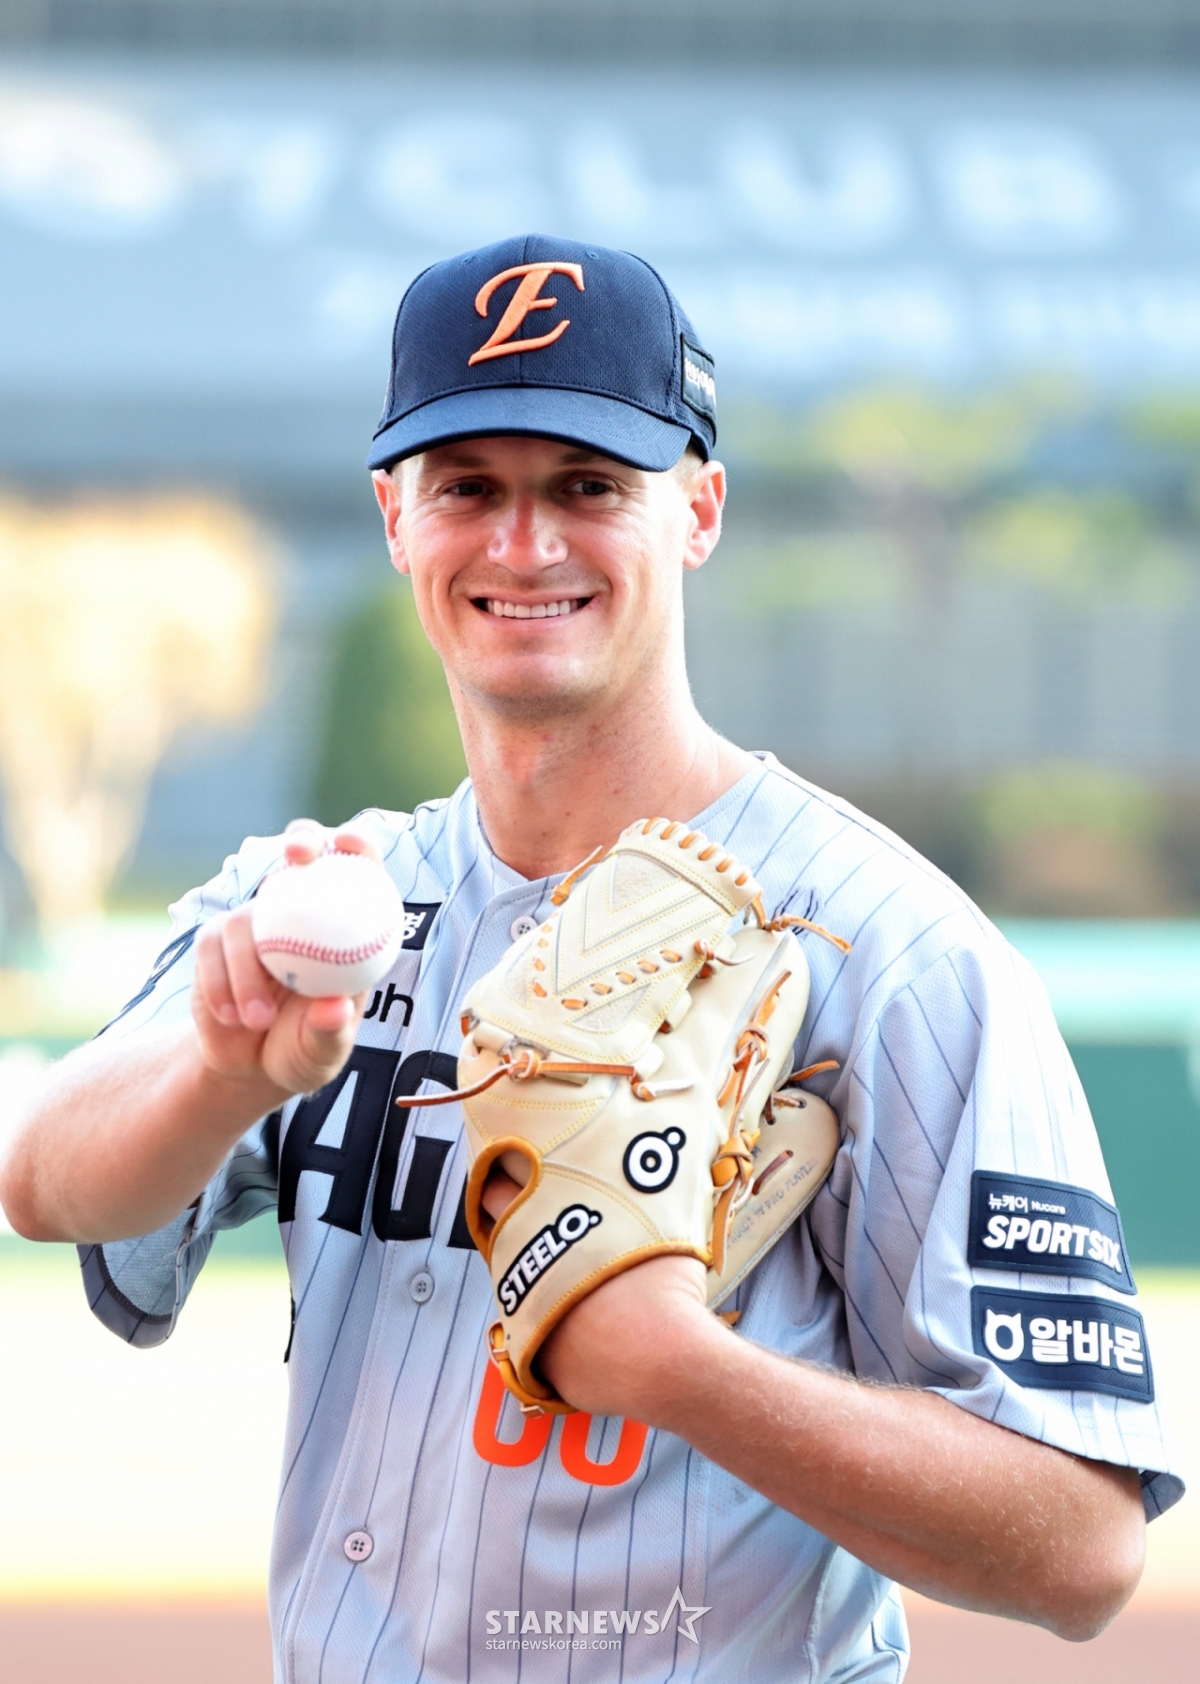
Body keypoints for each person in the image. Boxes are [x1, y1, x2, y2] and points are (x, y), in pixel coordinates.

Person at [0, 235, 1181, 1684]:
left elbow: (1081, 1546)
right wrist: (220, 1066)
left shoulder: (893, 952)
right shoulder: (321, 904)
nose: (523, 544)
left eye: (587, 486)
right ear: (391, 517)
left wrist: (686, 1373)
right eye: (469, 489)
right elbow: (47, 1181)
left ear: (700, 509)